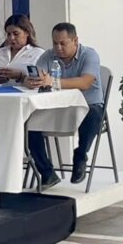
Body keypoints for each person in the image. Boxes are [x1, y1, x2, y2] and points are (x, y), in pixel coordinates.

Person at [25, 22, 104, 188]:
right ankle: (47, 173)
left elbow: (85, 82)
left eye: (63, 43)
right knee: (28, 123)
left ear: (75, 41)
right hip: (58, 108)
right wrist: (32, 80)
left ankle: (81, 155)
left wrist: (53, 82)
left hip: (87, 106)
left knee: (95, 114)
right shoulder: (48, 56)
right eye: (55, 43)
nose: (58, 48)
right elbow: (35, 75)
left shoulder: (89, 55)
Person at [0, 14, 43, 84]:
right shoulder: (0, 52)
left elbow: (43, 82)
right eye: (8, 34)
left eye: (16, 34)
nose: (11, 38)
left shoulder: (38, 54)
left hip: (24, 93)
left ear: (27, 33)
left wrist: (21, 76)